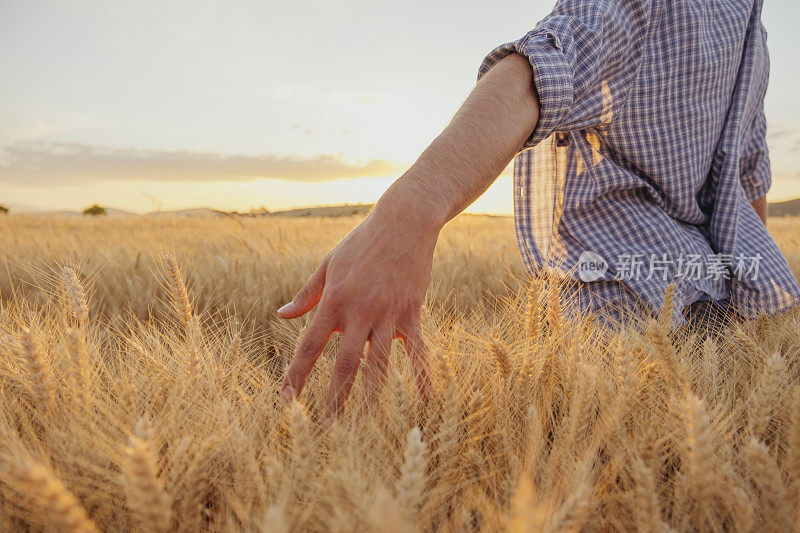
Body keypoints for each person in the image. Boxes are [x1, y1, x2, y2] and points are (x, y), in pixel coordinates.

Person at [277, 0, 800, 421]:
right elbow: (538, 70)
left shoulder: (753, 29)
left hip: (674, 298)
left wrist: (744, 300)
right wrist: (408, 214)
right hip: (626, 313)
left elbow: (745, 168)